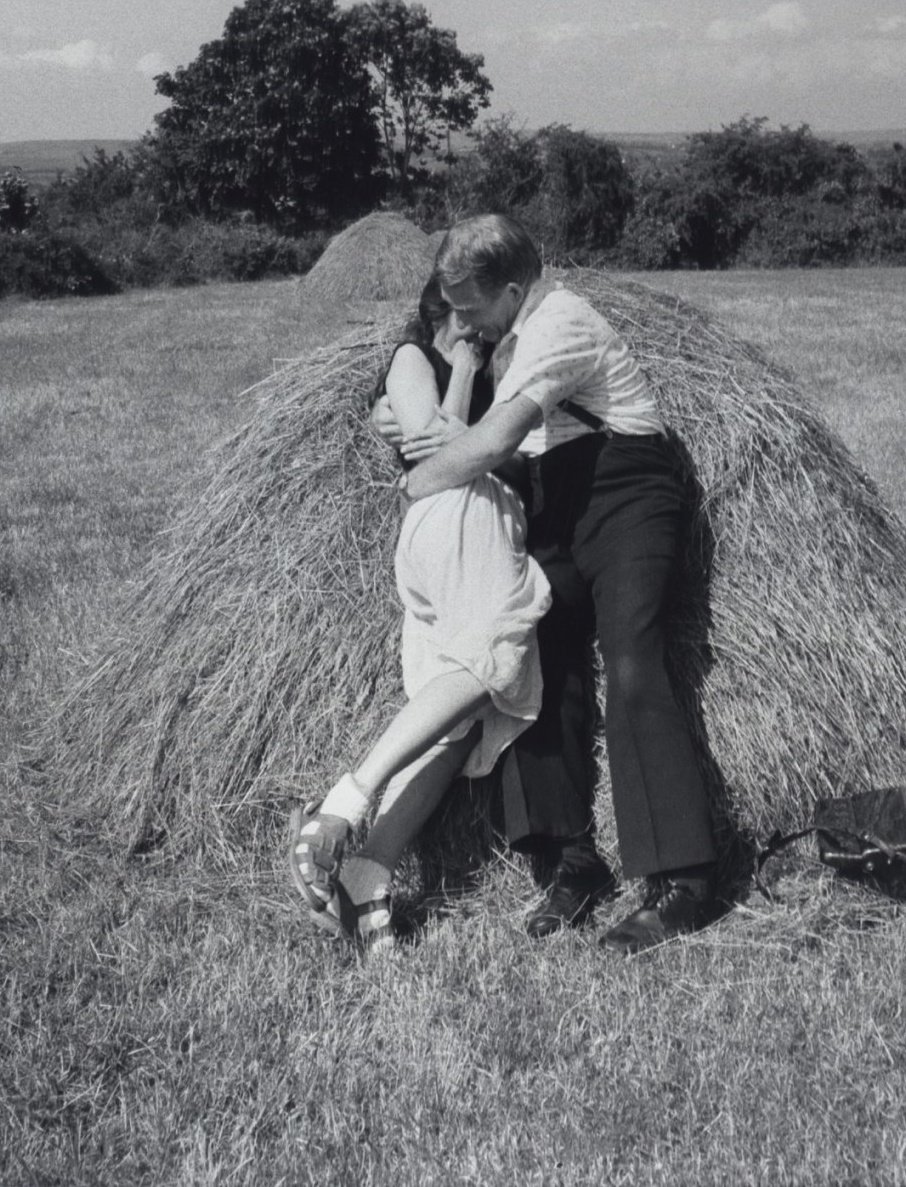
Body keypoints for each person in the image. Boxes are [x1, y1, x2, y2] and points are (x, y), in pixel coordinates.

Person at [382, 213, 719, 955]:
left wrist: (416, 483)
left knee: (631, 652)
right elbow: (515, 454)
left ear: (511, 290)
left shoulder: (558, 320)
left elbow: (498, 439)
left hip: (629, 491)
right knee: (526, 652)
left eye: (470, 308)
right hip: (560, 498)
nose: (462, 325)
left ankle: (683, 880)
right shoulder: (507, 341)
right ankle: (569, 859)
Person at [288, 275, 551, 951]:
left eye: (482, 322)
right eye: (465, 319)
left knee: (455, 718)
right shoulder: (414, 359)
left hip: (471, 523)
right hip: (457, 517)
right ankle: (345, 801)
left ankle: (366, 875)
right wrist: (460, 368)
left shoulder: (505, 366)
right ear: (442, 313)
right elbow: (441, 447)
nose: (479, 330)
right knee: (498, 653)